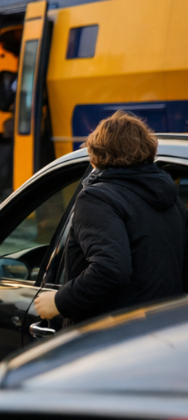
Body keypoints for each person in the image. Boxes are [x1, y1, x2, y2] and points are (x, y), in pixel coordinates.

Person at [34, 111, 188, 324]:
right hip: (164, 330)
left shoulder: (97, 198)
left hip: (108, 334)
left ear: (97, 153)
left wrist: (59, 301)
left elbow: (111, 269)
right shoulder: (172, 199)